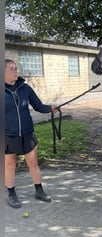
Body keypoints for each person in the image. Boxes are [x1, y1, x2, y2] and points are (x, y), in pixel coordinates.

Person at [5, 59, 58, 208]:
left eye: (16, 68)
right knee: (9, 165)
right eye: (12, 69)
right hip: (8, 135)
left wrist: (51, 108)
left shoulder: (25, 88)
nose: (16, 71)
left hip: (28, 133)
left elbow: (38, 106)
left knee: (33, 162)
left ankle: (39, 190)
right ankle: (11, 194)